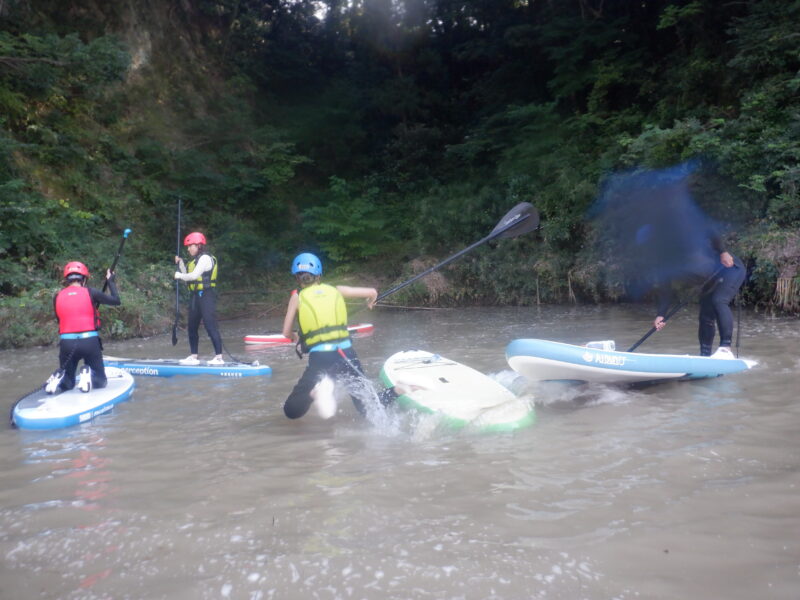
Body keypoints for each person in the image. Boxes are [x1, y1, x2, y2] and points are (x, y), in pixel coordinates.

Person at [281, 252, 378, 419]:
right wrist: (371, 301)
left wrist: (295, 336)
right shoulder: (337, 290)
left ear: (297, 278)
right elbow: (372, 292)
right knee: (368, 408)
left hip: (321, 358)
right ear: (319, 275)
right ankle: (400, 389)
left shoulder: (296, 297)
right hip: (347, 354)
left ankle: (316, 392)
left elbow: (285, 332)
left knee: (291, 410)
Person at [652, 233, 746, 358]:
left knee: (718, 301)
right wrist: (660, 315)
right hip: (710, 280)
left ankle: (725, 348)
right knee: (705, 316)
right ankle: (704, 357)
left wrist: (723, 252)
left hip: (729, 268)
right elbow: (665, 292)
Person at [46, 261, 121, 394]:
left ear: (67, 280)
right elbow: (116, 300)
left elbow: (60, 320)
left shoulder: (57, 297)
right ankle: (88, 374)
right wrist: (110, 281)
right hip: (89, 342)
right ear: (84, 279)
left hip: (67, 344)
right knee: (100, 382)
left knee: (68, 384)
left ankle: (60, 378)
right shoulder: (92, 292)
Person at [174, 231, 224, 365]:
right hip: (196, 296)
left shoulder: (205, 258)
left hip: (207, 295)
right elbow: (188, 278)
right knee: (192, 326)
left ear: (199, 246)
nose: (189, 249)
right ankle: (193, 356)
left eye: (191, 246)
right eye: (188, 247)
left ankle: (219, 357)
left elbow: (194, 276)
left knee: (210, 325)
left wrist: (178, 275)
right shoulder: (194, 261)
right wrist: (181, 265)